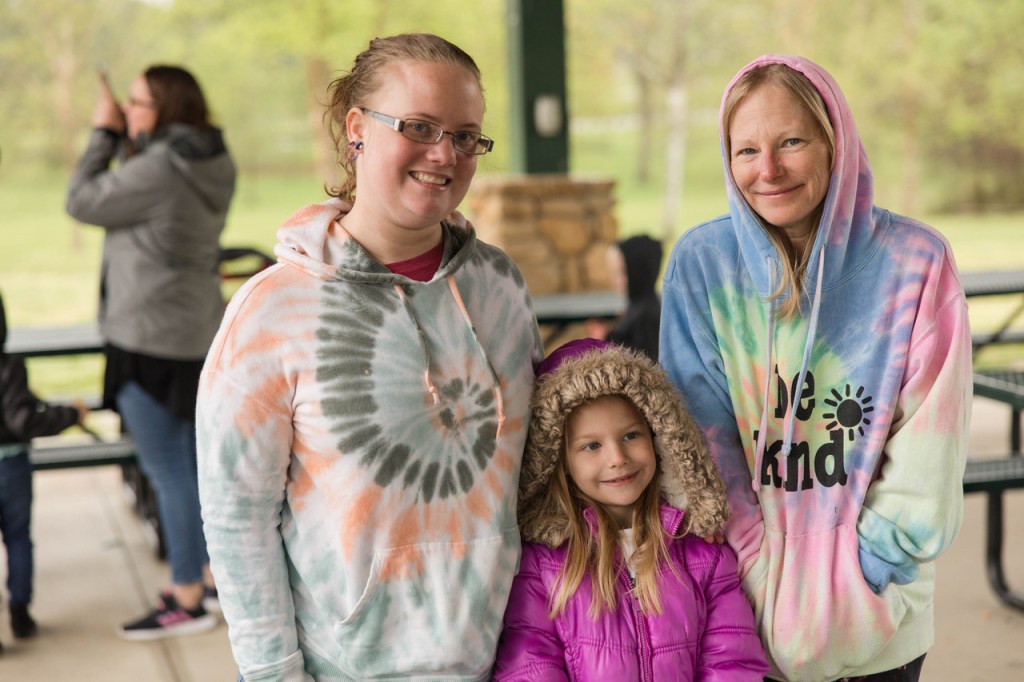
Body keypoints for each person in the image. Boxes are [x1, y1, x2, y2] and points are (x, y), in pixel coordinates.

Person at [196, 33, 542, 680]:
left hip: (505, 659)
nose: (445, 154)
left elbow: (533, 473)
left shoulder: (499, 286)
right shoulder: (271, 311)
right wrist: (273, 673)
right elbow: (237, 518)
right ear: (357, 129)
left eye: (466, 136)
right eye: (419, 127)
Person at [659, 54, 972, 681]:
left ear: (836, 142)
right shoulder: (703, 265)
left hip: (882, 616)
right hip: (744, 616)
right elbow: (697, 445)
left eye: (791, 142)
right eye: (746, 150)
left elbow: (929, 453)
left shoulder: (916, 263)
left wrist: (869, 573)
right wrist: (754, 568)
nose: (767, 169)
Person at [65, 64, 236, 640]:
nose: (127, 110)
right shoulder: (212, 160)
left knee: (168, 472)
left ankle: (186, 597)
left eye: (138, 102)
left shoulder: (159, 168)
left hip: (145, 341)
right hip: (195, 336)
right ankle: (211, 579)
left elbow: (82, 200)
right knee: (192, 469)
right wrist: (130, 136)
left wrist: (103, 135)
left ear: (165, 109)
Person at [493, 338, 768, 680]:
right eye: (592, 446)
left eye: (630, 436)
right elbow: (530, 665)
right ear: (559, 460)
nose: (617, 458)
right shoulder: (543, 567)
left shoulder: (704, 555)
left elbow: (732, 662)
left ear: (659, 436)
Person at [0, 292, 89, 651]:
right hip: (11, 465)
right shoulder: (9, 366)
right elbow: (23, 420)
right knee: (18, 538)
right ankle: (20, 612)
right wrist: (70, 415)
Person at [585, 234, 663, 360]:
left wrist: (602, 341)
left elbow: (639, 360)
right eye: (613, 273)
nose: (614, 281)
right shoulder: (639, 306)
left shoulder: (645, 317)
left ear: (637, 271)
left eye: (621, 272)